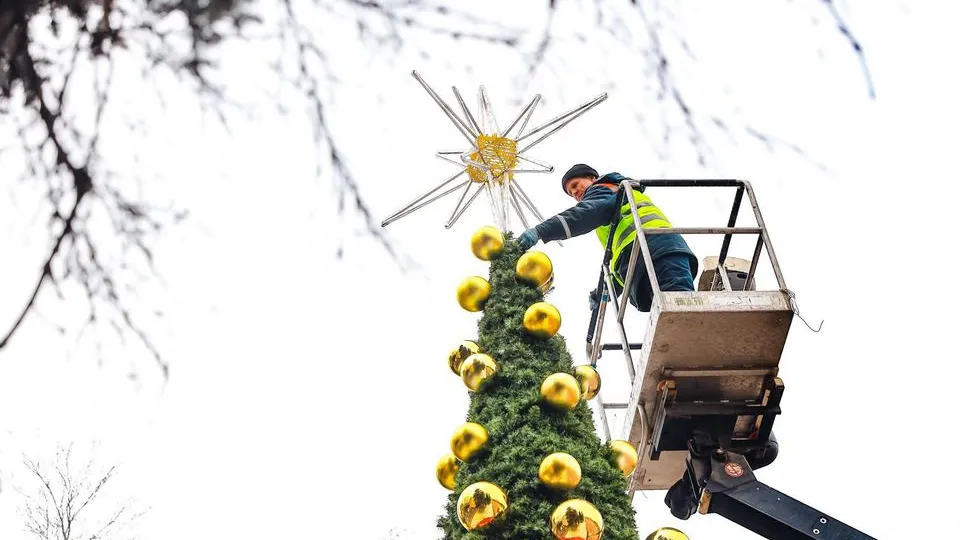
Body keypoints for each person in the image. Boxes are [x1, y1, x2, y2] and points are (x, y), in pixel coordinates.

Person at [517, 163, 698, 313]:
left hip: (656, 249)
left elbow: (583, 215)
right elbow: (621, 251)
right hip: (645, 256)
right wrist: (605, 292)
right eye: (571, 193)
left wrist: (540, 231)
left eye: (575, 185)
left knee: (681, 311)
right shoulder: (610, 203)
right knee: (672, 313)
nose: (575, 193)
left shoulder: (605, 189)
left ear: (592, 179)